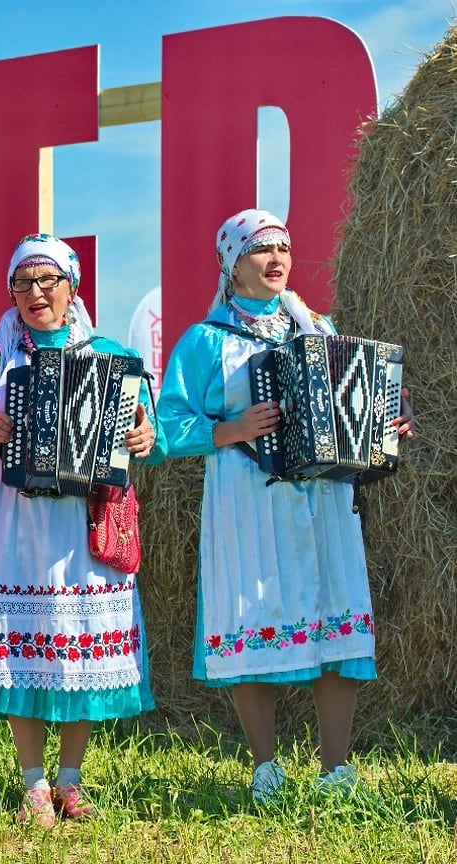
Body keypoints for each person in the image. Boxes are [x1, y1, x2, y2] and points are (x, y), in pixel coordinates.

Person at [157, 209, 415, 804]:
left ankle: (337, 772)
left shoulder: (319, 329)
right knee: (249, 618)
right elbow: (167, 425)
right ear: (231, 264)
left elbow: (356, 399)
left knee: (336, 617)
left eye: (283, 248)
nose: (276, 259)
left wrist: (389, 423)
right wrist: (230, 429)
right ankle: (265, 768)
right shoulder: (205, 342)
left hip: (325, 499)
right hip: (247, 501)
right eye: (259, 249)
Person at [0, 233, 164, 827]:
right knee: (26, 649)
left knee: (80, 651)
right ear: (11, 291)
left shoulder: (111, 353)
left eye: (48, 280)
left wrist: (146, 438)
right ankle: (33, 783)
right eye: (23, 282)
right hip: (15, 525)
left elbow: (150, 432)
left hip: (80, 521)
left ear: (73, 286)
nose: (36, 293)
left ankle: (70, 779)